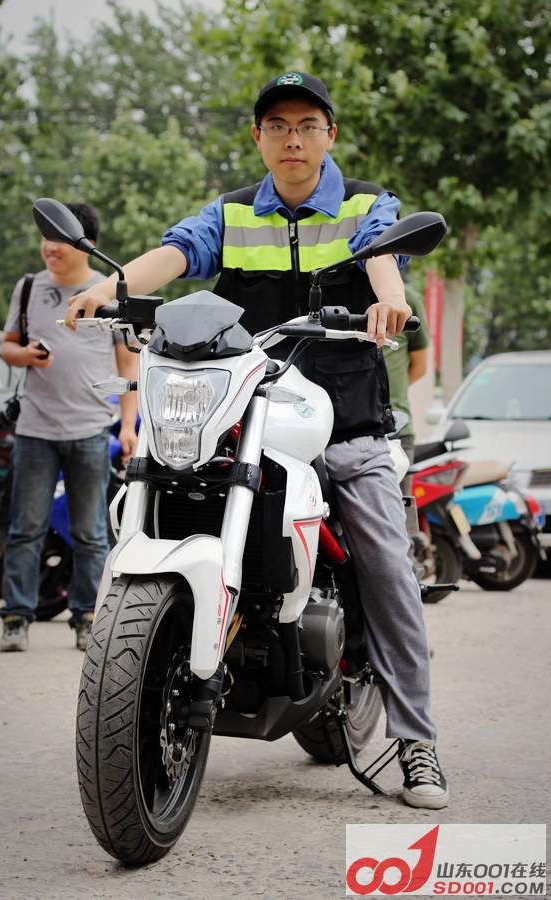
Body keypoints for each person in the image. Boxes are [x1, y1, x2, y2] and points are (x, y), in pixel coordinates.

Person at [65, 74, 448, 809]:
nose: (292, 139)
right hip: (248, 417)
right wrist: (110, 291)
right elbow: (178, 251)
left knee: (387, 567)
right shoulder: (234, 212)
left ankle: (417, 741)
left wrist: (391, 299)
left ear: (330, 134)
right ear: (258, 137)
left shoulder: (366, 205)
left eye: (307, 125)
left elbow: (380, 255)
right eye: (277, 126)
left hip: (346, 421)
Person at [0, 202, 138, 652]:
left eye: (59, 239)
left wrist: (129, 427)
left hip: (92, 430)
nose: (49, 247)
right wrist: (25, 354)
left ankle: (86, 616)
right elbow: (8, 346)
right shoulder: (28, 288)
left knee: (91, 532)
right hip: (35, 431)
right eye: (46, 238)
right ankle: (16, 617)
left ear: (86, 244)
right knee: (26, 529)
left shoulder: (108, 292)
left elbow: (128, 365)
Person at [382, 285, 431, 494]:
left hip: (397, 427)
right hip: (343, 429)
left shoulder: (406, 298)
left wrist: (381, 393)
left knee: (400, 507)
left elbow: (420, 366)